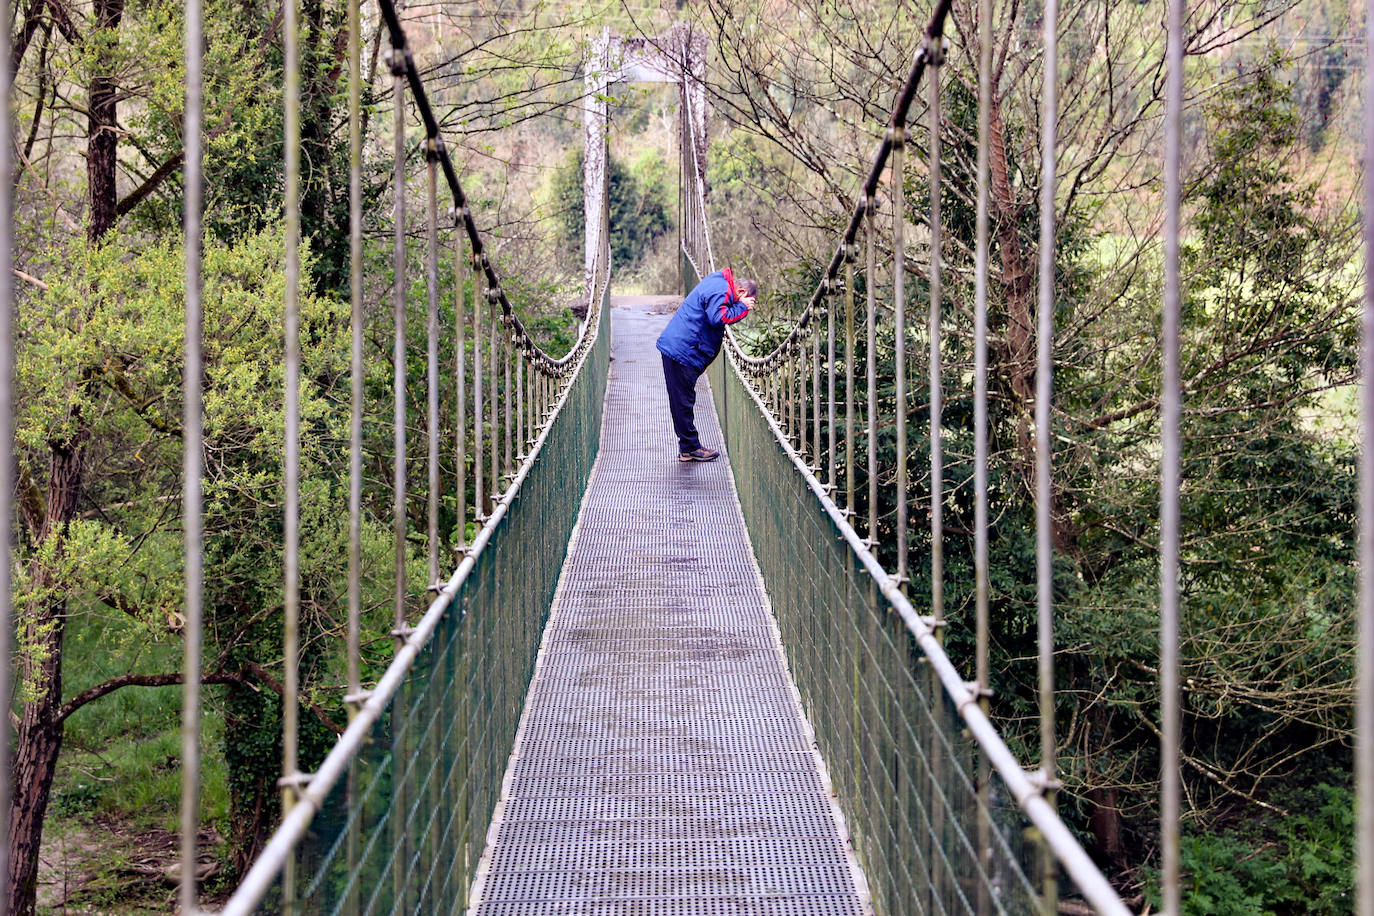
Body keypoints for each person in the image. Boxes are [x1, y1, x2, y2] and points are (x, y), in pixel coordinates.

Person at [655, 267, 758, 462]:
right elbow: (719, 317)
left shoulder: (719, 283)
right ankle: (690, 448)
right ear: (742, 292)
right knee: (683, 402)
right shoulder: (722, 290)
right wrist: (743, 307)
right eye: (748, 299)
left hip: (681, 349)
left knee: (683, 400)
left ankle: (688, 448)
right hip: (681, 351)